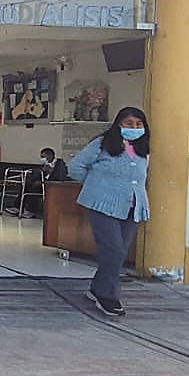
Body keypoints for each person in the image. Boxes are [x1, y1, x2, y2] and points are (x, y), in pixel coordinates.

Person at [67, 106, 151, 317]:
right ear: (118, 125)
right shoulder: (102, 144)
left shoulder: (142, 149)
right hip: (102, 204)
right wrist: (96, 186)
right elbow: (75, 167)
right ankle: (108, 295)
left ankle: (97, 287)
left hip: (133, 207)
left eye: (138, 124)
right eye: (129, 124)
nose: (134, 128)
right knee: (112, 249)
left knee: (119, 252)